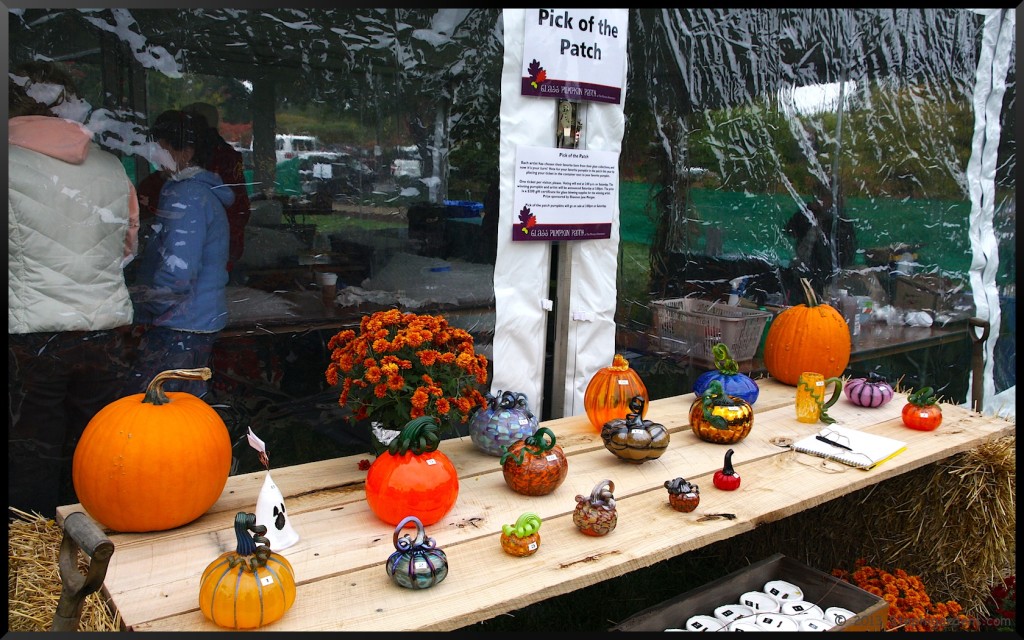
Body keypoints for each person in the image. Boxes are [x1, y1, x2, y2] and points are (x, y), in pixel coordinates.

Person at [8, 61, 140, 517]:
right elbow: (128, 244)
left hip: (29, 331)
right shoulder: (111, 166)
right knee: (99, 444)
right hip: (104, 328)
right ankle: (99, 526)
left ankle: (37, 546)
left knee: (32, 447)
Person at [123, 109, 234, 397]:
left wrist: (150, 307)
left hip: (179, 323)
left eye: (160, 146)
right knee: (185, 406)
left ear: (186, 151)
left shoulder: (187, 195)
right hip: (195, 320)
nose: (153, 154)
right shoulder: (200, 192)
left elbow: (178, 270)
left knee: (155, 408)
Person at [135, 102, 251, 276]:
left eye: (161, 149)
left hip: (198, 269)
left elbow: (179, 272)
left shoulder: (189, 192)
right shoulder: (223, 160)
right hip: (223, 248)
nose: (156, 157)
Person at [784, 183, 856, 294]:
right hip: (801, 270)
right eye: (817, 195)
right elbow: (789, 231)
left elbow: (845, 257)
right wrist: (807, 210)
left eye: (823, 196)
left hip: (827, 275)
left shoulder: (840, 222)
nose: (819, 199)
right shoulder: (808, 216)